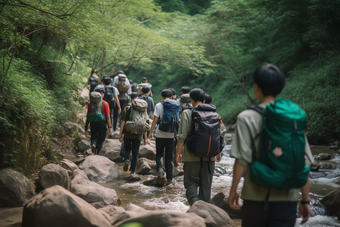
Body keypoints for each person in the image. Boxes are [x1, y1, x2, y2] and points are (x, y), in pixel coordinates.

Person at [228, 64, 313, 227]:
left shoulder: (246, 117)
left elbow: (242, 160)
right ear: (280, 89)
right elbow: (303, 162)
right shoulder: (293, 117)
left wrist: (233, 190)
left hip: (255, 196)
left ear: (256, 88)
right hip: (287, 196)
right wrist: (305, 199)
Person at [175, 88, 223, 205]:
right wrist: (218, 152)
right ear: (204, 99)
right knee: (206, 187)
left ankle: (195, 204)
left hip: (192, 156)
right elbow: (221, 133)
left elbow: (182, 136)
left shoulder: (187, 113)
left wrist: (178, 153)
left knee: (190, 182)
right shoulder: (215, 113)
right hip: (210, 156)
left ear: (191, 99)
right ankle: (205, 213)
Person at [148, 89, 179, 185]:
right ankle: (170, 179)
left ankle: (160, 169)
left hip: (160, 133)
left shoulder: (158, 105)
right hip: (171, 134)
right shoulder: (176, 105)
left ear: (162, 97)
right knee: (169, 157)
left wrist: (150, 132)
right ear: (171, 96)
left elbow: (155, 119)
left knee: (159, 154)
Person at [119, 92, 148, 175]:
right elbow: (145, 124)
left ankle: (127, 159)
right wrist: (145, 138)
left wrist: (120, 134)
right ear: (138, 98)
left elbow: (123, 122)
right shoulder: (143, 109)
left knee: (127, 148)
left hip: (128, 132)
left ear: (130, 99)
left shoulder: (127, 108)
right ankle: (132, 171)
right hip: (138, 134)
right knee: (135, 153)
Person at [84, 86, 112, 155]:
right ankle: (96, 153)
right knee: (101, 139)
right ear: (102, 93)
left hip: (93, 122)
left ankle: (93, 144)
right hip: (102, 123)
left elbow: (88, 116)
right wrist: (110, 127)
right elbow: (108, 116)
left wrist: (86, 127)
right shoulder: (105, 103)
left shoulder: (90, 103)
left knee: (93, 137)